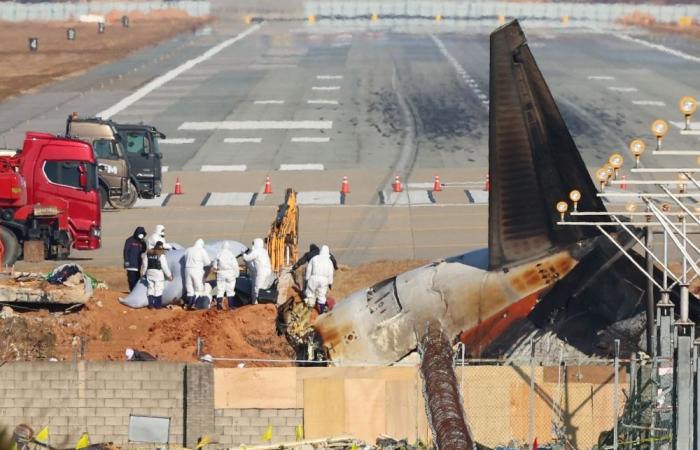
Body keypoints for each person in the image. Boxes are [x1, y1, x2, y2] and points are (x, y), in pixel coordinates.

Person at [141, 241, 172, 308]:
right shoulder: (161, 254)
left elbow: (145, 265)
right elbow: (164, 266)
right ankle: (158, 305)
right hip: (158, 273)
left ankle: (151, 305)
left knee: (150, 288)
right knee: (158, 289)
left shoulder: (148, 253)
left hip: (149, 273)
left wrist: (143, 273)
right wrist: (169, 276)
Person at [304, 245, 334, 313]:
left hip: (313, 278)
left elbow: (309, 269)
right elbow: (330, 273)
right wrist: (330, 283)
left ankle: (308, 310)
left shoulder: (314, 258)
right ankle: (321, 312)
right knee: (321, 296)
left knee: (310, 294)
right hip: (324, 280)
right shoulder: (329, 261)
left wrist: (307, 278)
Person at [242, 238, 272, 305]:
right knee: (264, 288)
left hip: (262, 271)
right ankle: (263, 303)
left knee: (257, 288)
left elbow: (247, 258)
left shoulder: (257, 251)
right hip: (268, 271)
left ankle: (256, 304)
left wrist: (243, 254)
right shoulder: (264, 251)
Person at [184, 238, 211, 309]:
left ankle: (189, 304)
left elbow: (184, 258)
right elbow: (207, 262)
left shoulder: (188, 249)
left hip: (187, 270)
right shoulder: (202, 250)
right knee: (198, 289)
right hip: (197, 270)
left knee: (189, 288)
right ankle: (195, 304)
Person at [212, 242, 239, 310]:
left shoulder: (219, 254)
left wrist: (216, 269)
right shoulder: (231, 254)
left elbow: (214, 265)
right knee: (230, 290)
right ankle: (231, 306)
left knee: (220, 290)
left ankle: (219, 306)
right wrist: (236, 274)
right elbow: (235, 265)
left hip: (221, 273)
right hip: (230, 273)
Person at [123, 226, 146, 291]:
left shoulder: (143, 242)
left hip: (138, 265)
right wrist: (126, 262)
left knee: (137, 280)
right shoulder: (129, 240)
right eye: (140, 234)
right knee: (131, 280)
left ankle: (135, 292)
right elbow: (126, 251)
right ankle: (132, 291)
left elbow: (144, 251)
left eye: (142, 234)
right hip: (131, 265)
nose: (141, 235)